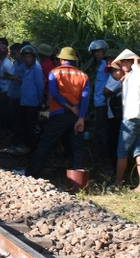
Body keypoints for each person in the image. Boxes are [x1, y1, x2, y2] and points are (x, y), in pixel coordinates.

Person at [24, 46, 90, 178]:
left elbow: (54, 93)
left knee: (46, 143)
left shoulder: (55, 72)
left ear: (61, 60)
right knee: (77, 147)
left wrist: (69, 106)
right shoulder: (83, 75)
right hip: (76, 116)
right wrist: (81, 117)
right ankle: (79, 181)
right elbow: (85, 98)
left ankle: (32, 173)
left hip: (59, 114)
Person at [111, 49, 140, 191]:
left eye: (123, 63)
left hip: (131, 119)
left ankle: (118, 183)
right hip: (139, 118)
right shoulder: (130, 77)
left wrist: (137, 66)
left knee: (122, 152)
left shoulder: (136, 74)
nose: (121, 66)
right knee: (138, 152)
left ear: (130, 62)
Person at [7, 45, 44, 156]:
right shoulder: (27, 69)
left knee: (31, 126)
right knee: (23, 125)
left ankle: (33, 149)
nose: (27, 59)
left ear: (33, 57)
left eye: (29, 57)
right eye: (25, 57)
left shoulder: (36, 69)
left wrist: (40, 101)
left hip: (33, 103)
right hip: (24, 102)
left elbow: (40, 86)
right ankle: (25, 147)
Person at [88, 39, 113, 170]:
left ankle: (105, 160)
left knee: (102, 131)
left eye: (99, 51)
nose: (96, 54)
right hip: (99, 102)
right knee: (100, 131)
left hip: (103, 103)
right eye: (95, 52)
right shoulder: (100, 65)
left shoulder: (107, 64)